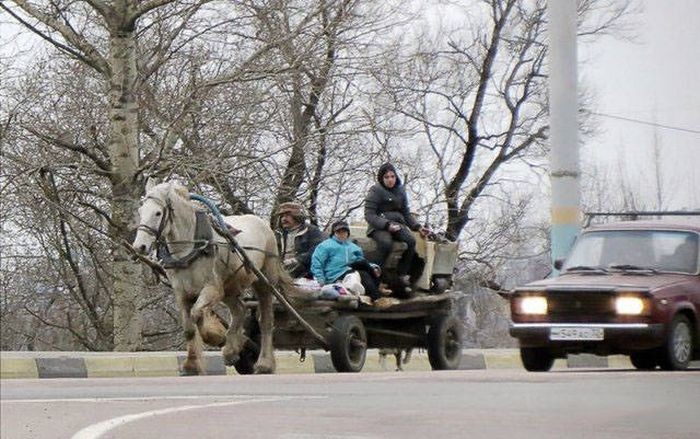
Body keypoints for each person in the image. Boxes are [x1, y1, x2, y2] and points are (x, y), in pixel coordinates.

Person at [364, 163, 428, 291]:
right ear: (382, 178)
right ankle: (377, 276)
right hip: (379, 226)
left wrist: (418, 227)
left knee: (410, 241)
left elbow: (406, 212)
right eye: (386, 177)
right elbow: (369, 215)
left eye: (392, 176)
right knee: (386, 243)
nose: (390, 179)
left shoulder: (400, 190)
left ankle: (402, 274)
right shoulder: (375, 191)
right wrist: (386, 225)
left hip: (397, 224)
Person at [311, 220, 382, 301]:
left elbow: (361, 260)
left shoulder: (353, 247)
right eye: (339, 232)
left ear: (348, 233)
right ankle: (377, 297)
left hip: (351, 269)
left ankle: (376, 293)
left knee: (365, 268)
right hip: (335, 274)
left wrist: (374, 267)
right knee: (363, 273)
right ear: (334, 233)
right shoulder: (325, 246)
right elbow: (317, 263)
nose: (342, 234)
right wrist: (320, 279)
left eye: (344, 232)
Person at [275, 201, 325, 279]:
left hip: (304, 272)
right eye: (282, 216)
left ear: (296, 216)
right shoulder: (278, 233)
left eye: (287, 215)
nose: (284, 219)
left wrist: (297, 260)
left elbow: (317, 250)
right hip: (280, 269)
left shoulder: (311, 230)